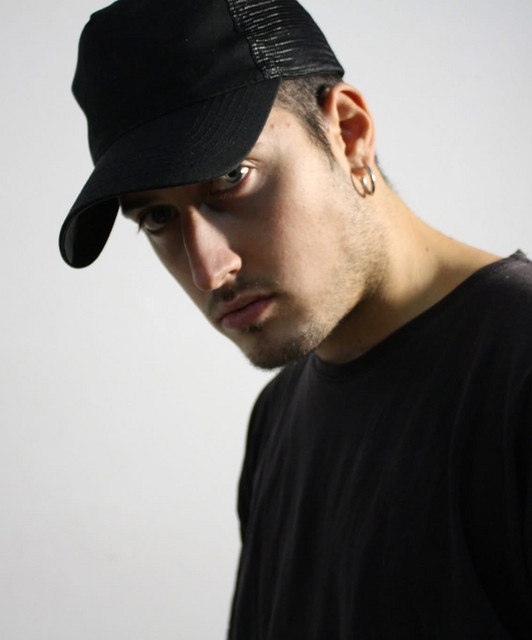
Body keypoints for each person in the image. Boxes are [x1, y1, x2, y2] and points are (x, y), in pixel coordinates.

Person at [59, 0, 532, 637]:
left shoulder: (516, 372)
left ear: (349, 133)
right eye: (159, 217)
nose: (209, 270)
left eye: (232, 176)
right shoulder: (277, 418)